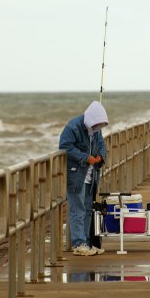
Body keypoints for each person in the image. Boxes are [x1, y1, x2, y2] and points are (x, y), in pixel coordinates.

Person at [59, 100, 109, 256]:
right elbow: (65, 147)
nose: (97, 128)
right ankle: (78, 243)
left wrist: (101, 156)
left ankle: (86, 243)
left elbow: (101, 144)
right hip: (76, 176)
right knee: (77, 209)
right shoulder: (73, 126)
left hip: (91, 176)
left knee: (87, 209)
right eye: (96, 125)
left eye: (100, 125)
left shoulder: (97, 129)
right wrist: (85, 158)